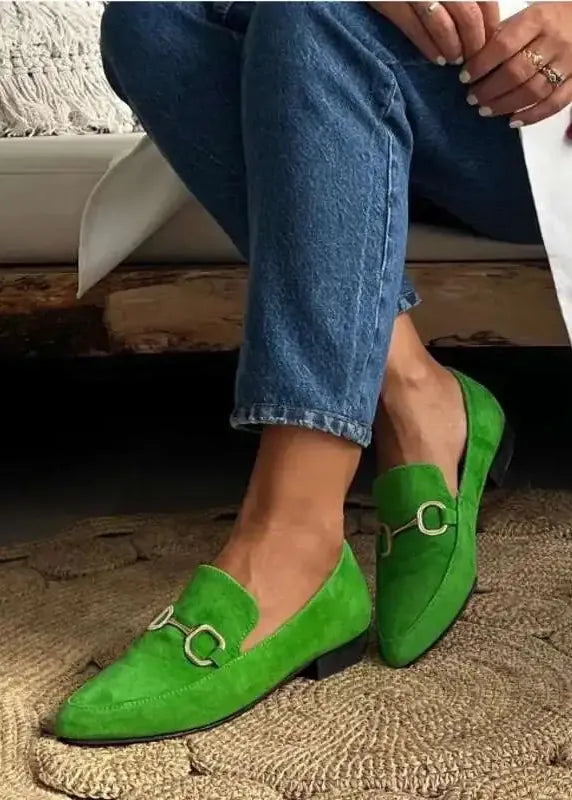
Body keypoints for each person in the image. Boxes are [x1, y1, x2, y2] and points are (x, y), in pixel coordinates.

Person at [55, 1, 571, 745]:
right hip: (432, 74)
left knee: (315, 12)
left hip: (538, 113)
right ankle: (413, 394)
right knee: (150, 17)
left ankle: (292, 537)